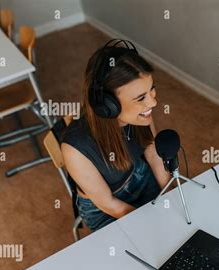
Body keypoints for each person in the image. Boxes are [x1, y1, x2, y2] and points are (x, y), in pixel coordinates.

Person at [61, 39, 170, 232]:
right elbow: (109, 203)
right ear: (108, 105)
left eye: (151, 89)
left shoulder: (140, 116)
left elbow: (152, 151)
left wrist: (171, 192)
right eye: (141, 98)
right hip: (105, 207)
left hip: (141, 176)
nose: (152, 103)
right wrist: (152, 223)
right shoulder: (75, 148)